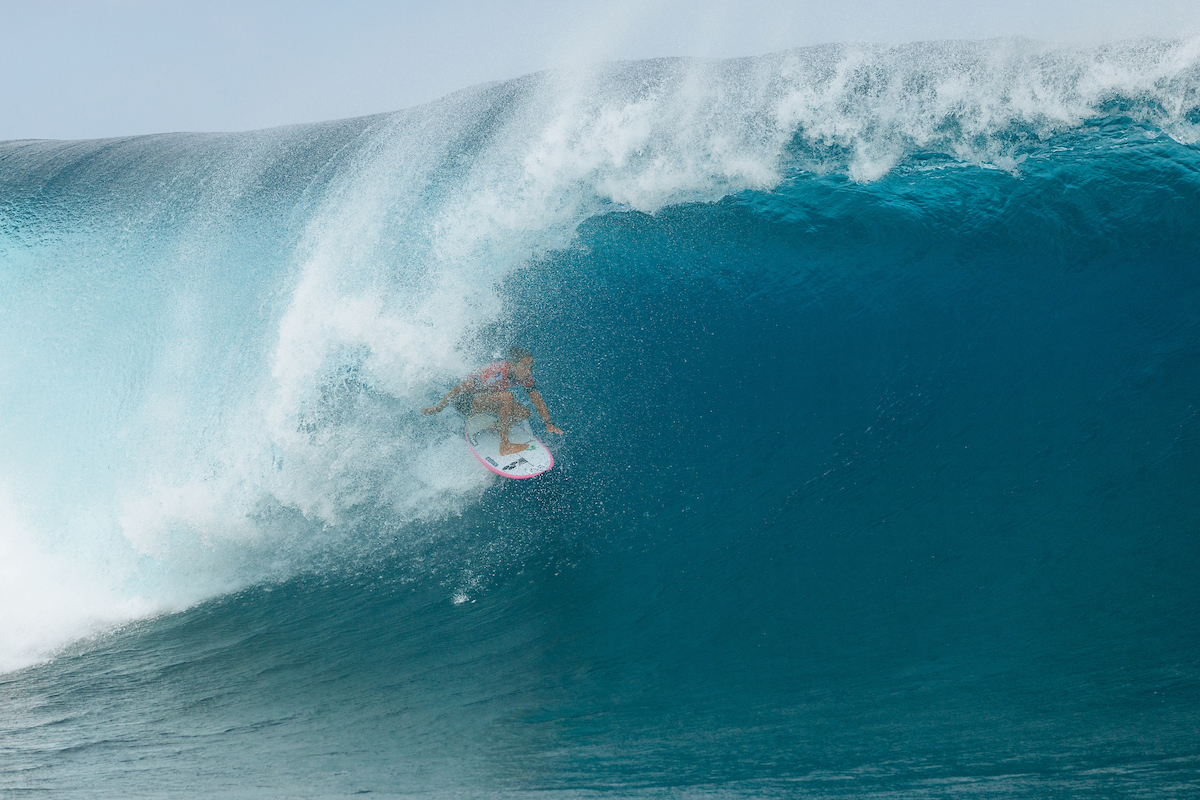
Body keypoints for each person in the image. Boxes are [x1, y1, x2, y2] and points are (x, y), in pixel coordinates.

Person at [423, 347, 564, 456]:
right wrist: (439, 408)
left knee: (523, 413)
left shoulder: (524, 376)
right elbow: (460, 388)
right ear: (513, 365)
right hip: (465, 402)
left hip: (485, 399)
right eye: (525, 366)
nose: (528, 371)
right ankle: (505, 446)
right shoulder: (496, 373)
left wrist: (548, 422)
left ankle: (496, 427)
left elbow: (536, 398)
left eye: (531, 367)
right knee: (507, 396)